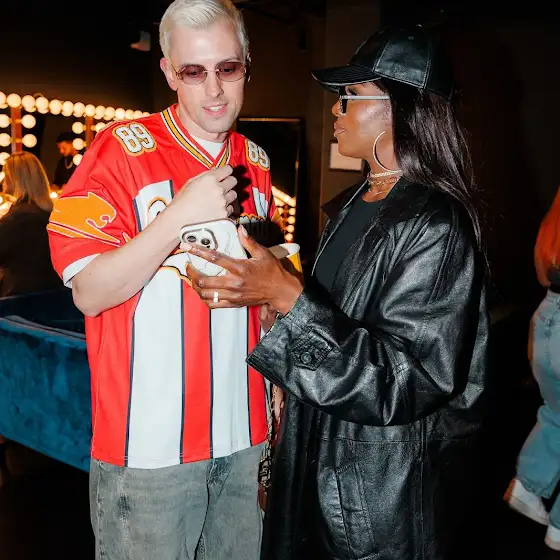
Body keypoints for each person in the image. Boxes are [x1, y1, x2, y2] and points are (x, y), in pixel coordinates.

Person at [183, 25, 490, 559]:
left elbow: (405, 382)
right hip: (318, 471)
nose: (335, 110)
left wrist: (289, 299)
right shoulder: (354, 204)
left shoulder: (436, 225)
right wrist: (271, 306)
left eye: (350, 96)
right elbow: (336, 327)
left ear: (396, 108)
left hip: (375, 501)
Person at [47, 1, 281, 558]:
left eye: (227, 68)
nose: (214, 90)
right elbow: (89, 292)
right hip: (149, 449)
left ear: (247, 64)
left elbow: (260, 297)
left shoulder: (255, 161)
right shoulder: (119, 151)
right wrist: (178, 216)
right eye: (194, 72)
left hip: (246, 438)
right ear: (169, 73)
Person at [504, 187, 560, 551]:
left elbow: (542, 274)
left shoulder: (554, 220)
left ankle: (527, 484)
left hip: (547, 318)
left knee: (556, 413)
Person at [0, 151, 62, 296]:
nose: (3, 181)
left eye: (6, 175)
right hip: (51, 294)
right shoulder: (50, 214)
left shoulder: (19, 218)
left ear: (15, 178)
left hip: (19, 298)